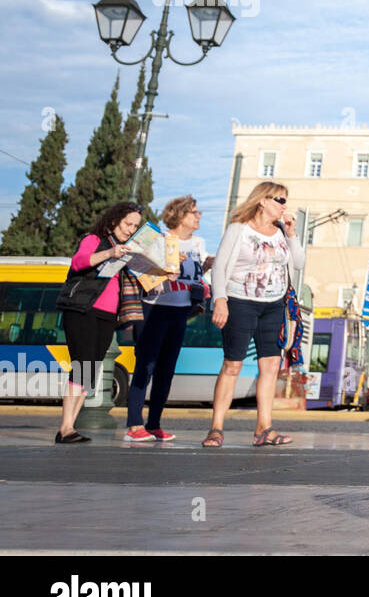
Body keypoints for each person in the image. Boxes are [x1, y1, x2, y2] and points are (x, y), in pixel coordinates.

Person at [204, 181, 304, 447]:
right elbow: (219, 266)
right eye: (279, 200)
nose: (284, 205)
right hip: (240, 302)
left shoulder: (282, 231)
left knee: (270, 366)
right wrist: (220, 300)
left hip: (273, 304)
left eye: (285, 200)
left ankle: (264, 429)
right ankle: (216, 428)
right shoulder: (239, 229)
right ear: (262, 200)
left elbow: (299, 263)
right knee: (232, 365)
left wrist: (293, 234)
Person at [124, 195, 212, 443]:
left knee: (167, 370)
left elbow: (192, 276)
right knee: (146, 366)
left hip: (181, 309)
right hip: (154, 308)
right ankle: (133, 424)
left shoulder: (198, 243)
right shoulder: (160, 240)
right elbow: (137, 267)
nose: (199, 216)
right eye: (194, 212)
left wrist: (206, 266)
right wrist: (165, 261)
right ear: (180, 215)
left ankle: (154, 424)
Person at [56, 201, 144, 444]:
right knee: (81, 364)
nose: (130, 229)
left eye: (135, 226)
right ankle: (65, 427)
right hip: (83, 310)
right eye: (128, 223)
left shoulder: (126, 248)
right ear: (115, 220)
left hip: (107, 315)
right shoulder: (94, 239)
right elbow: (78, 262)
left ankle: (69, 427)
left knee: (90, 369)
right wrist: (109, 253)